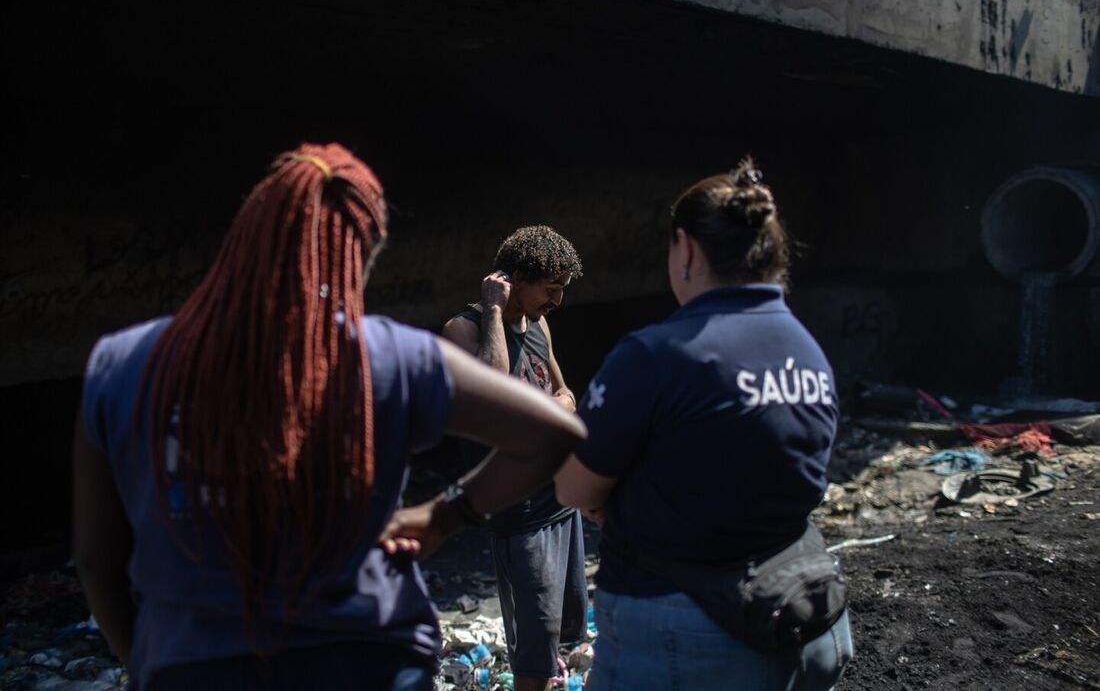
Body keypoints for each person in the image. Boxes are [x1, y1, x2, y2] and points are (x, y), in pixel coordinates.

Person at [71, 143, 586, 691]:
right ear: (356, 257)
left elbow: (97, 562)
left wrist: (148, 660)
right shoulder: (389, 356)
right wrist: (445, 515)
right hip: (366, 658)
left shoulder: (121, 364)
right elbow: (552, 432)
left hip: (193, 664)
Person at [554, 158, 853, 690]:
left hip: (685, 633)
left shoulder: (655, 355)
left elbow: (574, 488)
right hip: (800, 611)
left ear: (686, 249)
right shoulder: (809, 353)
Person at [440, 225, 586, 691]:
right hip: (518, 514)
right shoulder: (462, 329)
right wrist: (495, 310)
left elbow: (565, 394)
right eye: (551, 289)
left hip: (560, 504)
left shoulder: (540, 324)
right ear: (513, 279)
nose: (557, 302)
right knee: (534, 647)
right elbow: (496, 397)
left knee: (560, 632)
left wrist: (545, 414)